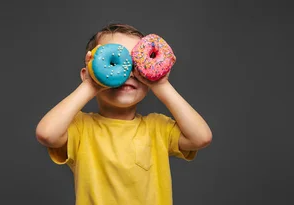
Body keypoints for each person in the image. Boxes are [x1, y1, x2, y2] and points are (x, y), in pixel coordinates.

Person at [35, 23, 212, 205]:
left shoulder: (157, 127)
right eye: (113, 62)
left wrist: (161, 84)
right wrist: (90, 85)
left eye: (136, 64)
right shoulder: (81, 128)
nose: (128, 73)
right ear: (87, 74)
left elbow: (201, 137)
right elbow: (47, 133)